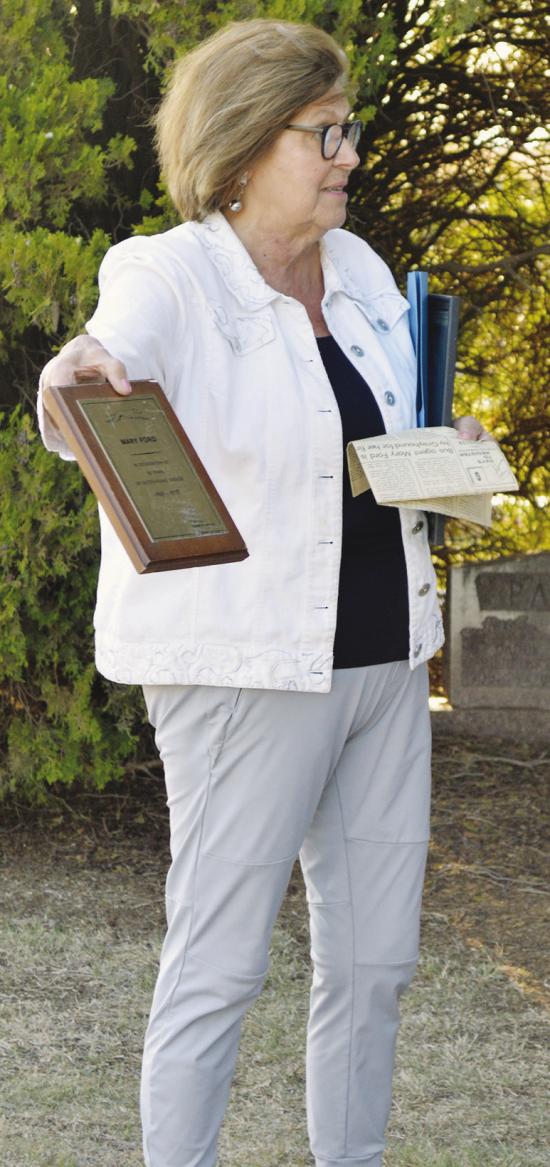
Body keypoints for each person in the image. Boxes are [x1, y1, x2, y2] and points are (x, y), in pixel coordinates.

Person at [38, 19, 491, 1167]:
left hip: (386, 669)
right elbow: (101, 365)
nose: (347, 154)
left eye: (349, 129)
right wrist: (80, 379)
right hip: (245, 677)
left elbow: (382, 446)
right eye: (323, 133)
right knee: (222, 962)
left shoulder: (361, 273)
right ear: (244, 150)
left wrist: (452, 452)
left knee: (377, 963)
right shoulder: (168, 271)